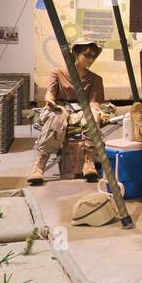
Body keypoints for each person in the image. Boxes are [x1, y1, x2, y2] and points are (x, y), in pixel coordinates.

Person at [27, 42, 108, 185]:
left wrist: (99, 112)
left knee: (93, 116)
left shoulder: (96, 79)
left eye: (93, 56)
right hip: (61, 105)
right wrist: (50, 102)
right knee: (56, 117)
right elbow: (50, 93)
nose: (91, 59)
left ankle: (88, 160)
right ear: (76, 54)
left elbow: (94, 102)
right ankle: (40, 163)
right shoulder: (58, 73)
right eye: (87, 55)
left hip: (84, 108)